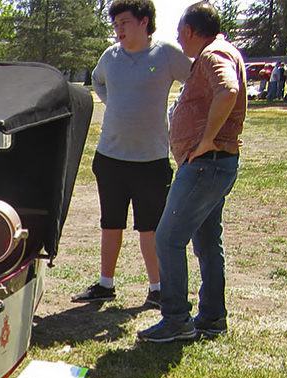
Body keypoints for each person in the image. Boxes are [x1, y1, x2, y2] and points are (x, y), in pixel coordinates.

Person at [138, 1, 246, 342]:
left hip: (205, 165)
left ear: (188, 30)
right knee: (207, 241)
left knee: (168, 238)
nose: (179, 41)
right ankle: (212, 317)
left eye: (180, 33)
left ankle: (176, 320)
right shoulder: (223, 50)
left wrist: (206, 140)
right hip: (214, 165)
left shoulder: (213, 55)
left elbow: (228, 90)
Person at [72, 0, 191, 309]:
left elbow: (195, 82)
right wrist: (113, 100)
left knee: (150, 227)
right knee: (110, 223)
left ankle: (157, 289)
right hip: (110, 157)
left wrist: (178, 113)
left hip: (151, 160)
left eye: (124, 23)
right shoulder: (110, 57)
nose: (118, 30)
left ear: (144, 21)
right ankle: (105, 285)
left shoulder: (165, 54)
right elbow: (97, 80)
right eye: (115, 25)